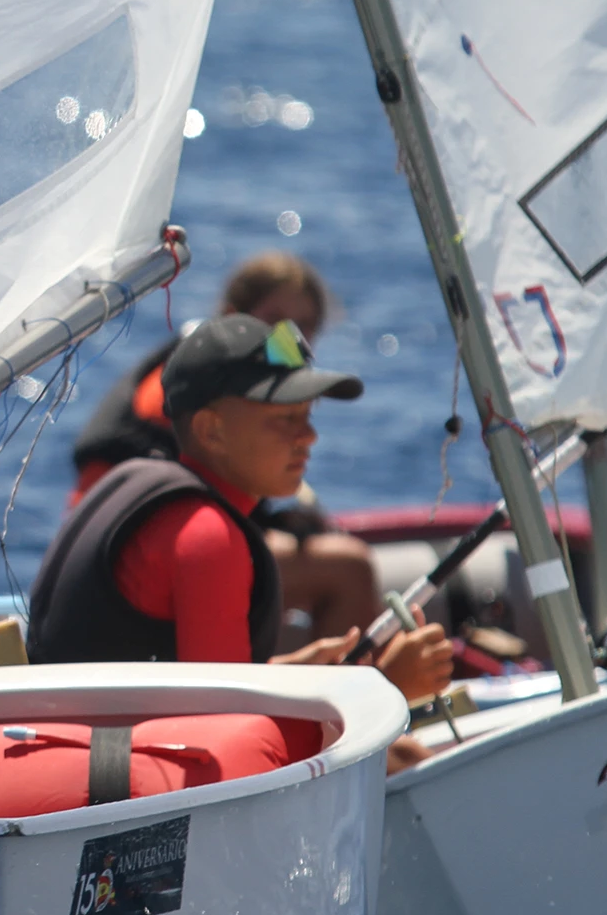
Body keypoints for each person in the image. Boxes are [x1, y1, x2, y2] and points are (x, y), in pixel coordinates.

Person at [27, 314, 452, 771]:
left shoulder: (141, 486)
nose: (309, 436)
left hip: (75, 763)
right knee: (408, 762)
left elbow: (193, 687)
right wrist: (384, 690)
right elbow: (227, 749)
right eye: (285, 418)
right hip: (115, 792)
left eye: (307, 416)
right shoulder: (207, 536)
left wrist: (295, 676)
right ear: (212, 431)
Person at [70, 251, 378, 644]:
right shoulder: (184, 397)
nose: (289, 338)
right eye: (275, 322)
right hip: (136, 556)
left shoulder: (206, 388)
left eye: (304, 327)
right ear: (234, 316)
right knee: (349, 570)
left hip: (133, 554)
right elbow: (178, 518)